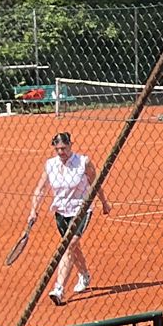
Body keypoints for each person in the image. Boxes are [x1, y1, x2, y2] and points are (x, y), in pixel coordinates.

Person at [27, 131, 110, 305]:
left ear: (71, 145)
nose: (61, 152)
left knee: (69, 245)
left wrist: (104, 203)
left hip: (81, 210)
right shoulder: (50, 165)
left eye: (64, 148)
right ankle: (84, 274)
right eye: (57, 149)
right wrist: (34, 210)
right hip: (60, 212)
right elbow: (40, 189)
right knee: (73, 247)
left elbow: (95, 184)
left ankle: (59, 289)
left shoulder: (83, 162)